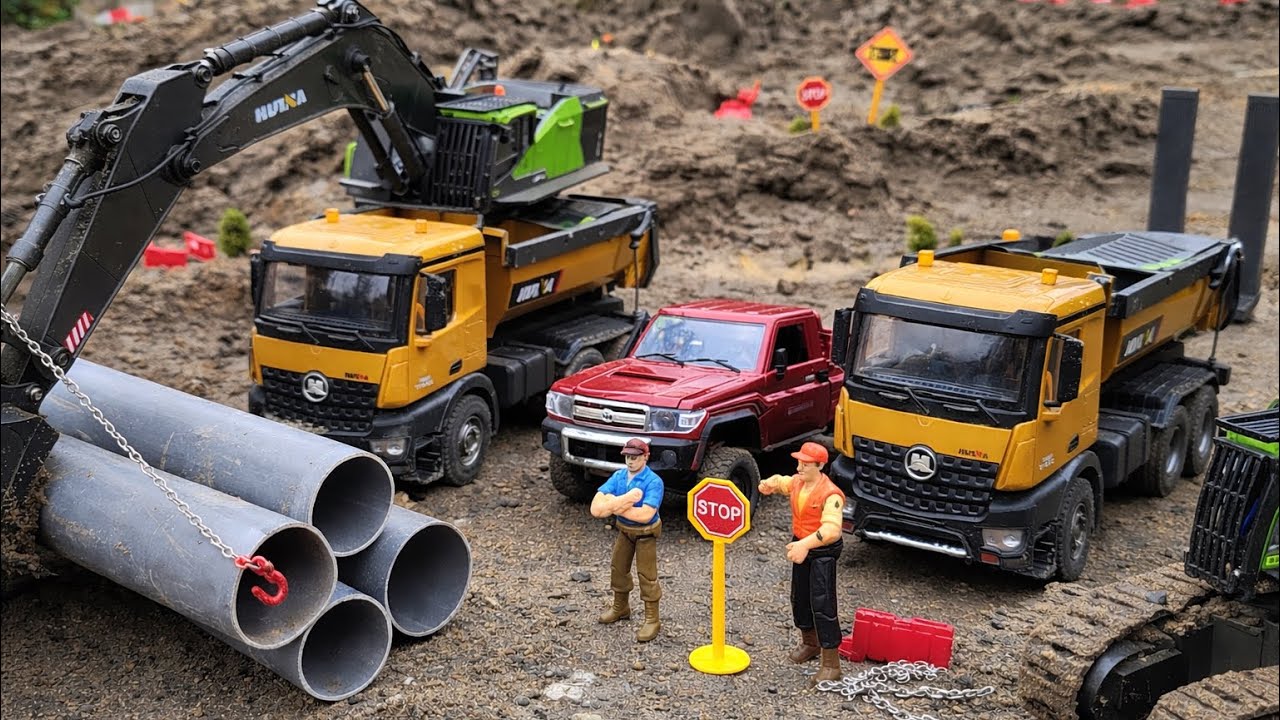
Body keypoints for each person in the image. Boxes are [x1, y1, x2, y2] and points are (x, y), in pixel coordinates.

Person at [759, 441, 846, 684]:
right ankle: (810, 643)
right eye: (799, 462)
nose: (799, 467)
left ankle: (831, 663)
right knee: (800, 597)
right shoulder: (799, 482)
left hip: (822, 552)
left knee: (823, 603)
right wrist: (769, 484)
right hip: (800, 547)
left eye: (805, 464)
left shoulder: (831, 495)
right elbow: (782, 481)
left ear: (819, 466)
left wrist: (805, 545)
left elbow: (831, 531)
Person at [590, 438, 665, 642]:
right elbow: (597, 506)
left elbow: (646, 515)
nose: (630, 461)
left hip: (646, 534)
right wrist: (624, 502)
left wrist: (613, 505)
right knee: (618, 567)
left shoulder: (653, 481)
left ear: (645, 457)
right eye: (628, 457)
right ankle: (620, 606)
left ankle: (652, 618)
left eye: (635, 457)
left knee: (647, 575)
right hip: (624, 530)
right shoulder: (619, 476)